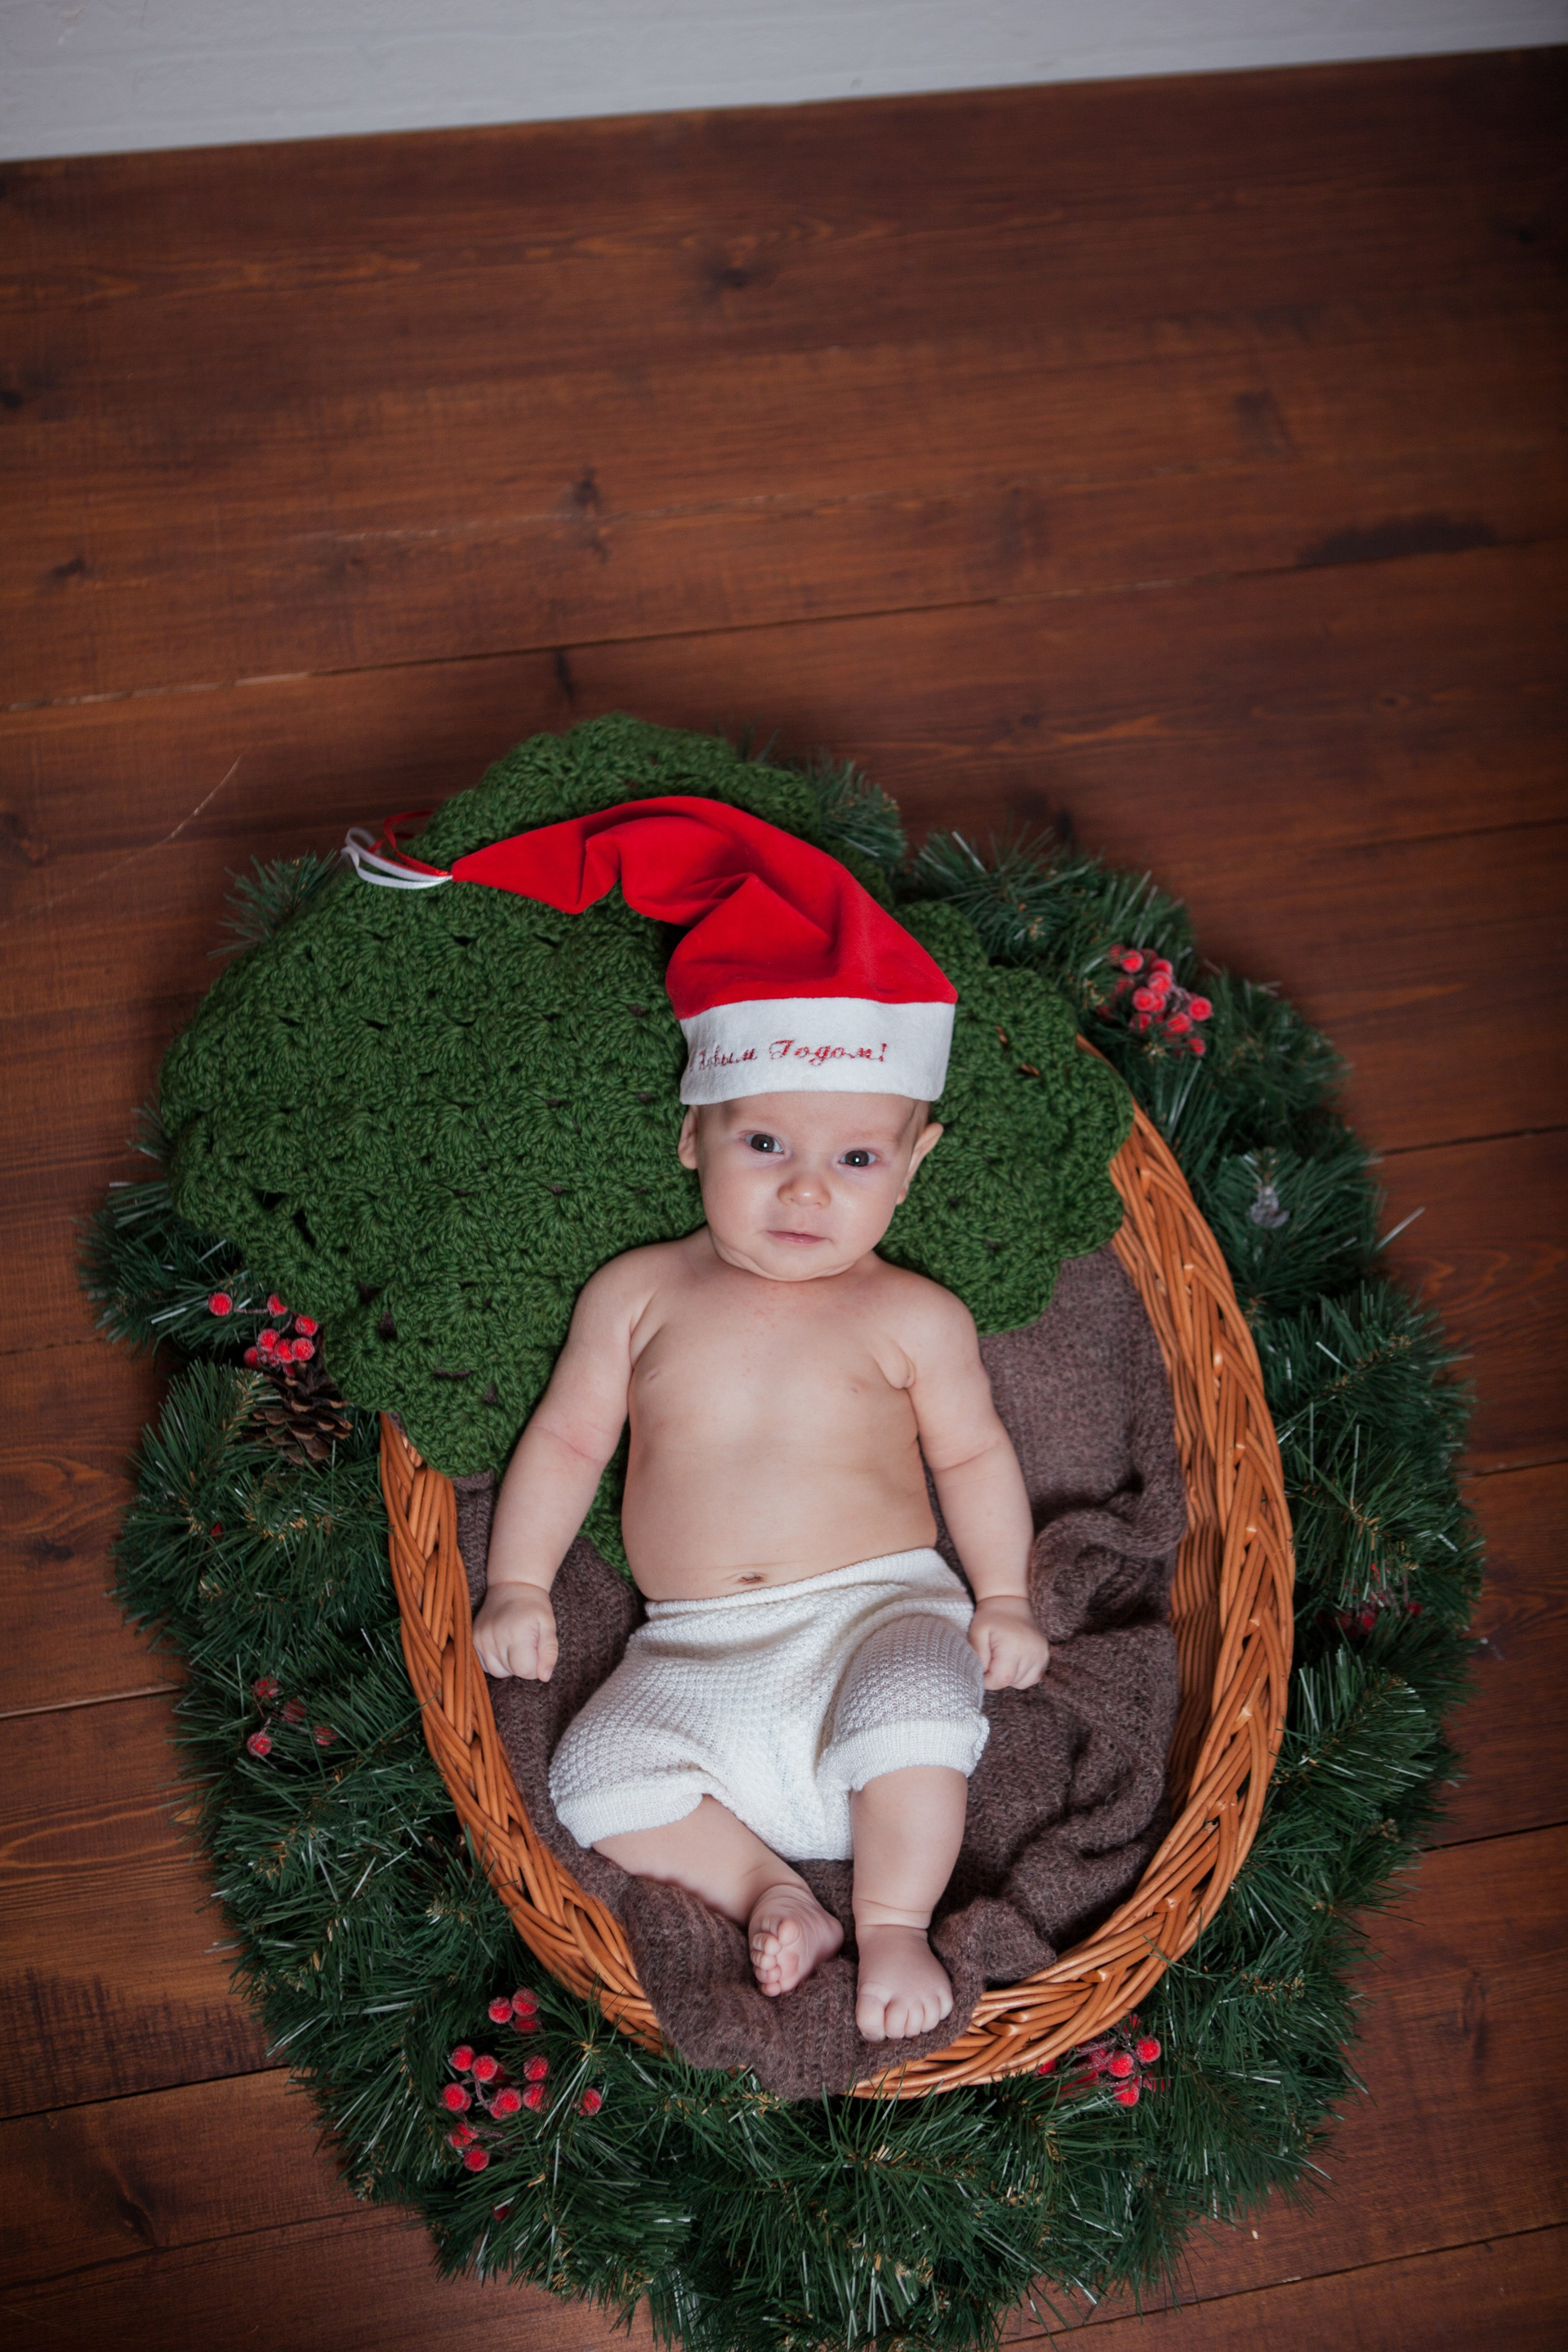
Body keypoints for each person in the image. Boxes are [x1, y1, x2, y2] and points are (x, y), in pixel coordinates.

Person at [349, 792, 1049, 2040]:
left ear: (915, 1164)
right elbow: (570, 1437)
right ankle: (770, 1888)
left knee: (920, 1703)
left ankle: (893, 1923)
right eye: (765, 1142)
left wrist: (1000, 1597)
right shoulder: (641, 1294)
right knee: (592, 1779)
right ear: (694, 1138)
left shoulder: (913, 1315)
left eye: (856, 1161)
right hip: (694, 1657)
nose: (805, 1191)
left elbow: (974, 1452)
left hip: (873, 1615)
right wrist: (518, 1581)